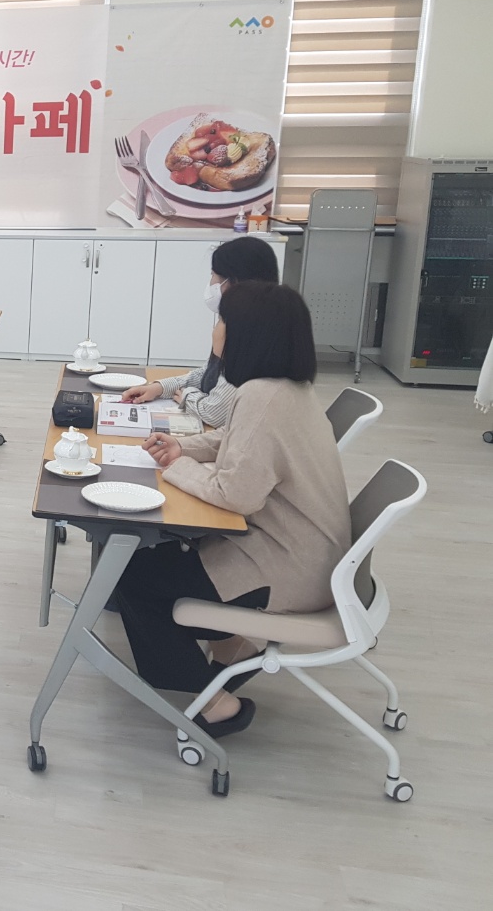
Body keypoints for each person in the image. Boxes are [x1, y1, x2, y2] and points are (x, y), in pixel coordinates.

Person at [113, 282, 350, 738]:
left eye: (222, 320)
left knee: (133, 578)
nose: (215, 328)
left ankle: (216, 704)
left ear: (247, 333)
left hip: (286, 569)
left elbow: (236, 494)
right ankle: (229, 650)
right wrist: (183, 447)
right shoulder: (287, 390)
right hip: (309, 556)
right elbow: (234, 440)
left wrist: (176, 467)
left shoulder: (262, 396)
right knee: (161, 562)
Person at [121, 236, 280, 426]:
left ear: (233, 282)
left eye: (213, 275)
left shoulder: (254, 335)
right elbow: (208, 375)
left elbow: (215, 412)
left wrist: (187, 396)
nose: (211, 283)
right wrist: (159, 388)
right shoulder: (244, 319)